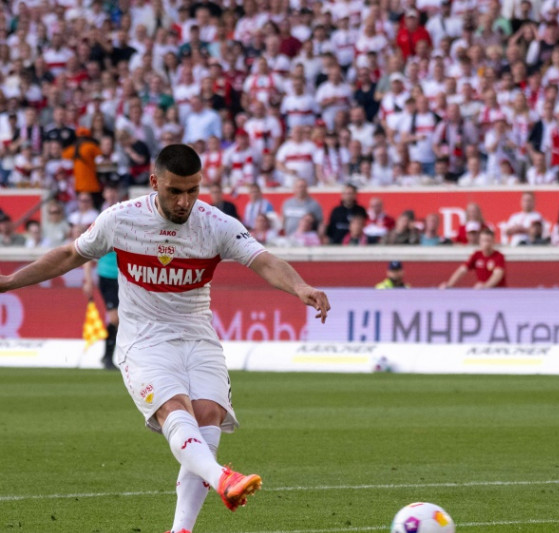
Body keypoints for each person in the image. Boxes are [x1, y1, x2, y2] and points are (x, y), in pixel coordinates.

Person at [0, 144, 332, 533]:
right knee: (175, 409)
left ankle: (181, 530)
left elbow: (264, 260)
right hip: (144, 340)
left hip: (198, 336)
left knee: (208, 417)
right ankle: (223, 479)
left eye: (192, 190)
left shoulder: (215, 223)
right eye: (175, 191)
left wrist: (300, 287)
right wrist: (9, 282)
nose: (184, 201)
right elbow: (69, 255)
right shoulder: (121, 220)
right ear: (155, 182)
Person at [82, 248, 120, 369]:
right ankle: (108, 356)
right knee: (115, 319)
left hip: (124, 279)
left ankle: (107, 356)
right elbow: (87, 256)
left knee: (122, 320)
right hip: (107, 278)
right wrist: (88, 281)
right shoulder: (104, 232)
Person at [439, 228, 507, 289]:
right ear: (479, 242)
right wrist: (449, 284)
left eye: (488, 241)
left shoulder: (498, 256)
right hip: (482, 292)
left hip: (498, 292)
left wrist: (486, 286)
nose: (486, 243)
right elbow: (462, 270)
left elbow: (498, 274)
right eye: (483, 240)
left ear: (493, 241)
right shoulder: (477, 255)